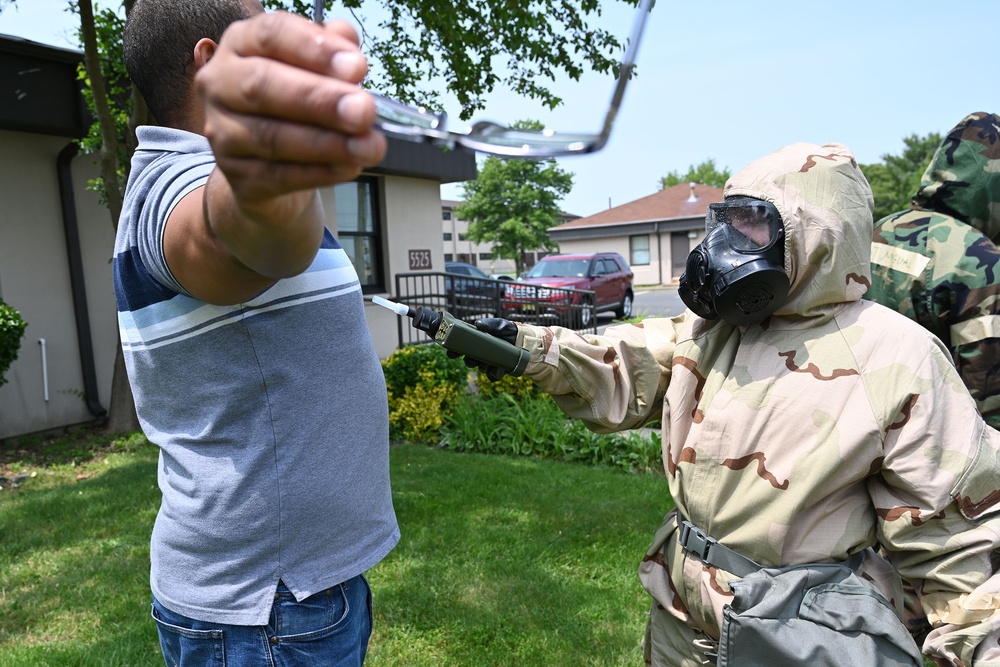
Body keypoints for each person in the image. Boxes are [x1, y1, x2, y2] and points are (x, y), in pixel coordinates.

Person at [465, 142, 1000, 665]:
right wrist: (525, 347)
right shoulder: (716, 327)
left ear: (816, 236)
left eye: (753, 225)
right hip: (684, 613)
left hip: (798, 631)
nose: (729, 243)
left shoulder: (897, 355)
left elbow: (958, 536)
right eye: (727, 223)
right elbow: (624, 360)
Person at [114, 1, 398, 665]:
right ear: (213, 68)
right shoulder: (172, 187)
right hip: (265, 611)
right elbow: (237, 238)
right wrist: (266, 181)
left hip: (288, 594)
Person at [867, 111, 1000, 430]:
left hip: (855, 431)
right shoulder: (980, 258)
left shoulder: (876, 230)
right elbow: (986, 389)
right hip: (930, 444)